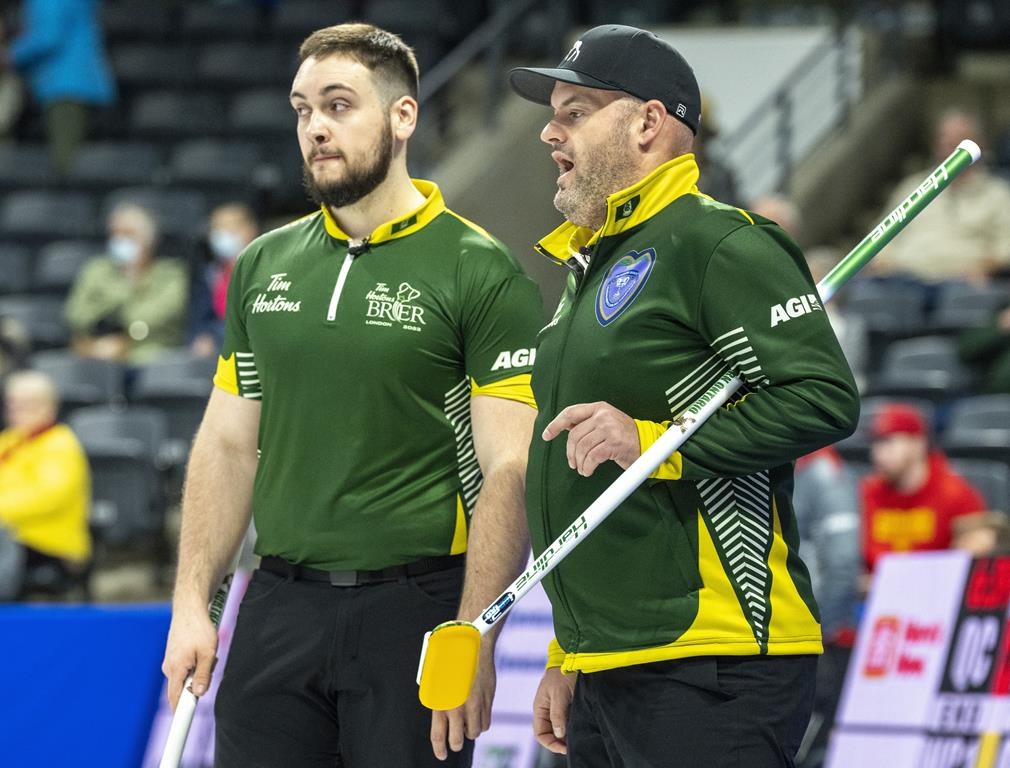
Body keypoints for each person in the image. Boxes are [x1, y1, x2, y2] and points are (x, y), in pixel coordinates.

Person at [161, 23, 543, 768]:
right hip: (276, 604)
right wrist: (190, 604)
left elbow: (511, 466)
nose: (315, 129)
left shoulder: (480, 270)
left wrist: (476, 629)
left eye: (339, 106)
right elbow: (228, 444)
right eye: (303, 110)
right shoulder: (263, 265)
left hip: (416, 611)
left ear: (403, 117)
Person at [508, 24, 859, 767]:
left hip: (715, 660)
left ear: (647, 122)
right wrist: (571, 651)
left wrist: (653, 442)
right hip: (611, 661)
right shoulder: (594, 265)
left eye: (574, 111)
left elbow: (822, 397)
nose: (549, 131)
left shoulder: (716, 243)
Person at [869, 109, 1010, 284]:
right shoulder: (912, 187)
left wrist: (987, 265)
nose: (948, 144)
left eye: (959, 139)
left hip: (962, 282)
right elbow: (881, 239)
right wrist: (882, 260)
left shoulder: (998, 194)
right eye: (943, 139)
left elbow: (1006, 245)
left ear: (979, 145)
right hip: (904, 279)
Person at [860, 403, 986, 574]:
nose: (877, 454)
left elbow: (979, 550)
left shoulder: (956, 493)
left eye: (888, 442)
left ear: (918, 443)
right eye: (875, 444)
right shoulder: (866, 493)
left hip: (938, 592)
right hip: (876, 594)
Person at [0, 370, 90, 600]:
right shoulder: (10, 440)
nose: (16, 411)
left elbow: (49, 496)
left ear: (49, 406)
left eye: (26, 404)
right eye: (13, 404)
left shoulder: (60, 443)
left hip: (46, 541)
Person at [65, 202, 189, 364]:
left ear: (149, 239)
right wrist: (103, 339)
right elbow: (76, 314)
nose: (120, 240)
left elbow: (155, 317)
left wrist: (122, 333)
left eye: (128, 234)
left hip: (150, 354)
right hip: (96, 350)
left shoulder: (172, 274)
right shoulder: (96, 270)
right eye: (115, 233)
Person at [8, 0, 115, 173]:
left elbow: (49, 36)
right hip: (83, 82)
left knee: (67, 165)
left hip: (66, 87)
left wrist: (10, 55)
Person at [188, 203, 260, 359]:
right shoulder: (210, 274)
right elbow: (200, 318)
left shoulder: (266, 269)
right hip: (217, 352)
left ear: (250, 230)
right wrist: (203, 336)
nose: (222, 235)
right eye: (217, 229)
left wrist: (215, 335)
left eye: (230, 228)